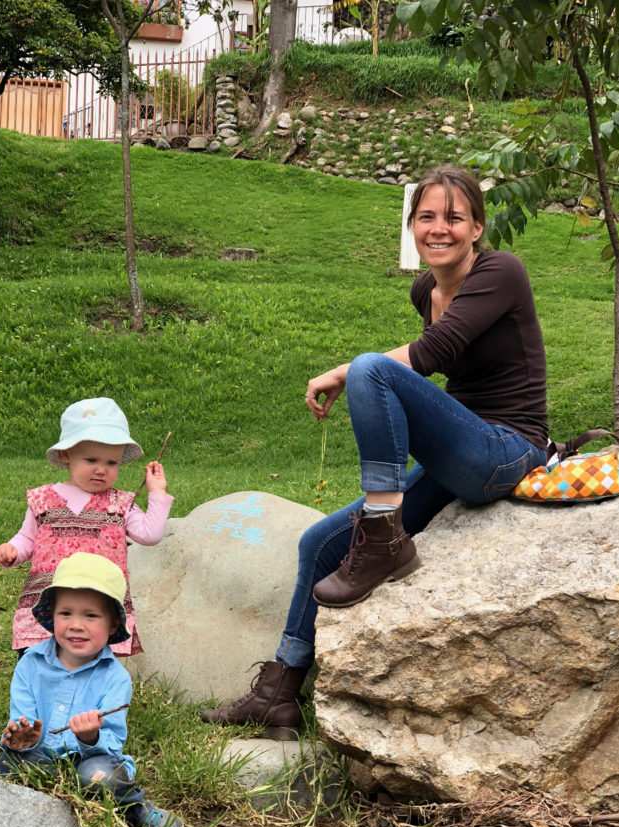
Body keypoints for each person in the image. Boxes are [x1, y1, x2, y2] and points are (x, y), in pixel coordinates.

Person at [202, 165, 548, 734]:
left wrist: (344, 374)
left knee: (370, 370)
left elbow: (434, 352)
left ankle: (383, 534)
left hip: (509, 451)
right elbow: (431, 361)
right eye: (427, 217)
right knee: (319, 542)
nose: (440, 229)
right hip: (461, 455)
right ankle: (280, 690)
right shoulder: (425, 290)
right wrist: (360, 375)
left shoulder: (501, 271)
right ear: (413, 226)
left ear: (478, 228)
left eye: (455, 218)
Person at [0, 551, 183, 827]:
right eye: (65, 613)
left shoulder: (114, 678)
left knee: (100, 775)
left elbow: (111, 743)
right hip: (40, 757)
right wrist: (21, 739)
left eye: (91, 615)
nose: (76, 624)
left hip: (90, 762)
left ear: (112, 625)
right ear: (52, 615)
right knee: (12, 761)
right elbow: (20, 720)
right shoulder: (29, 665)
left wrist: (89, 738)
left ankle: (134, 808)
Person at [0, 397, 172, 657]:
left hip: (96, 606)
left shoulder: (120, 504)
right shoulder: (43, 499)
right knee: (39, 664)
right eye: (91, 460)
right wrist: (12, 550)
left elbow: (150, 535)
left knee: (92, 669)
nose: (101, 470)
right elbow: (27, 538)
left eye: (112, 463)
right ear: (67, 455)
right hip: (49, 604)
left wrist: (157, 493)